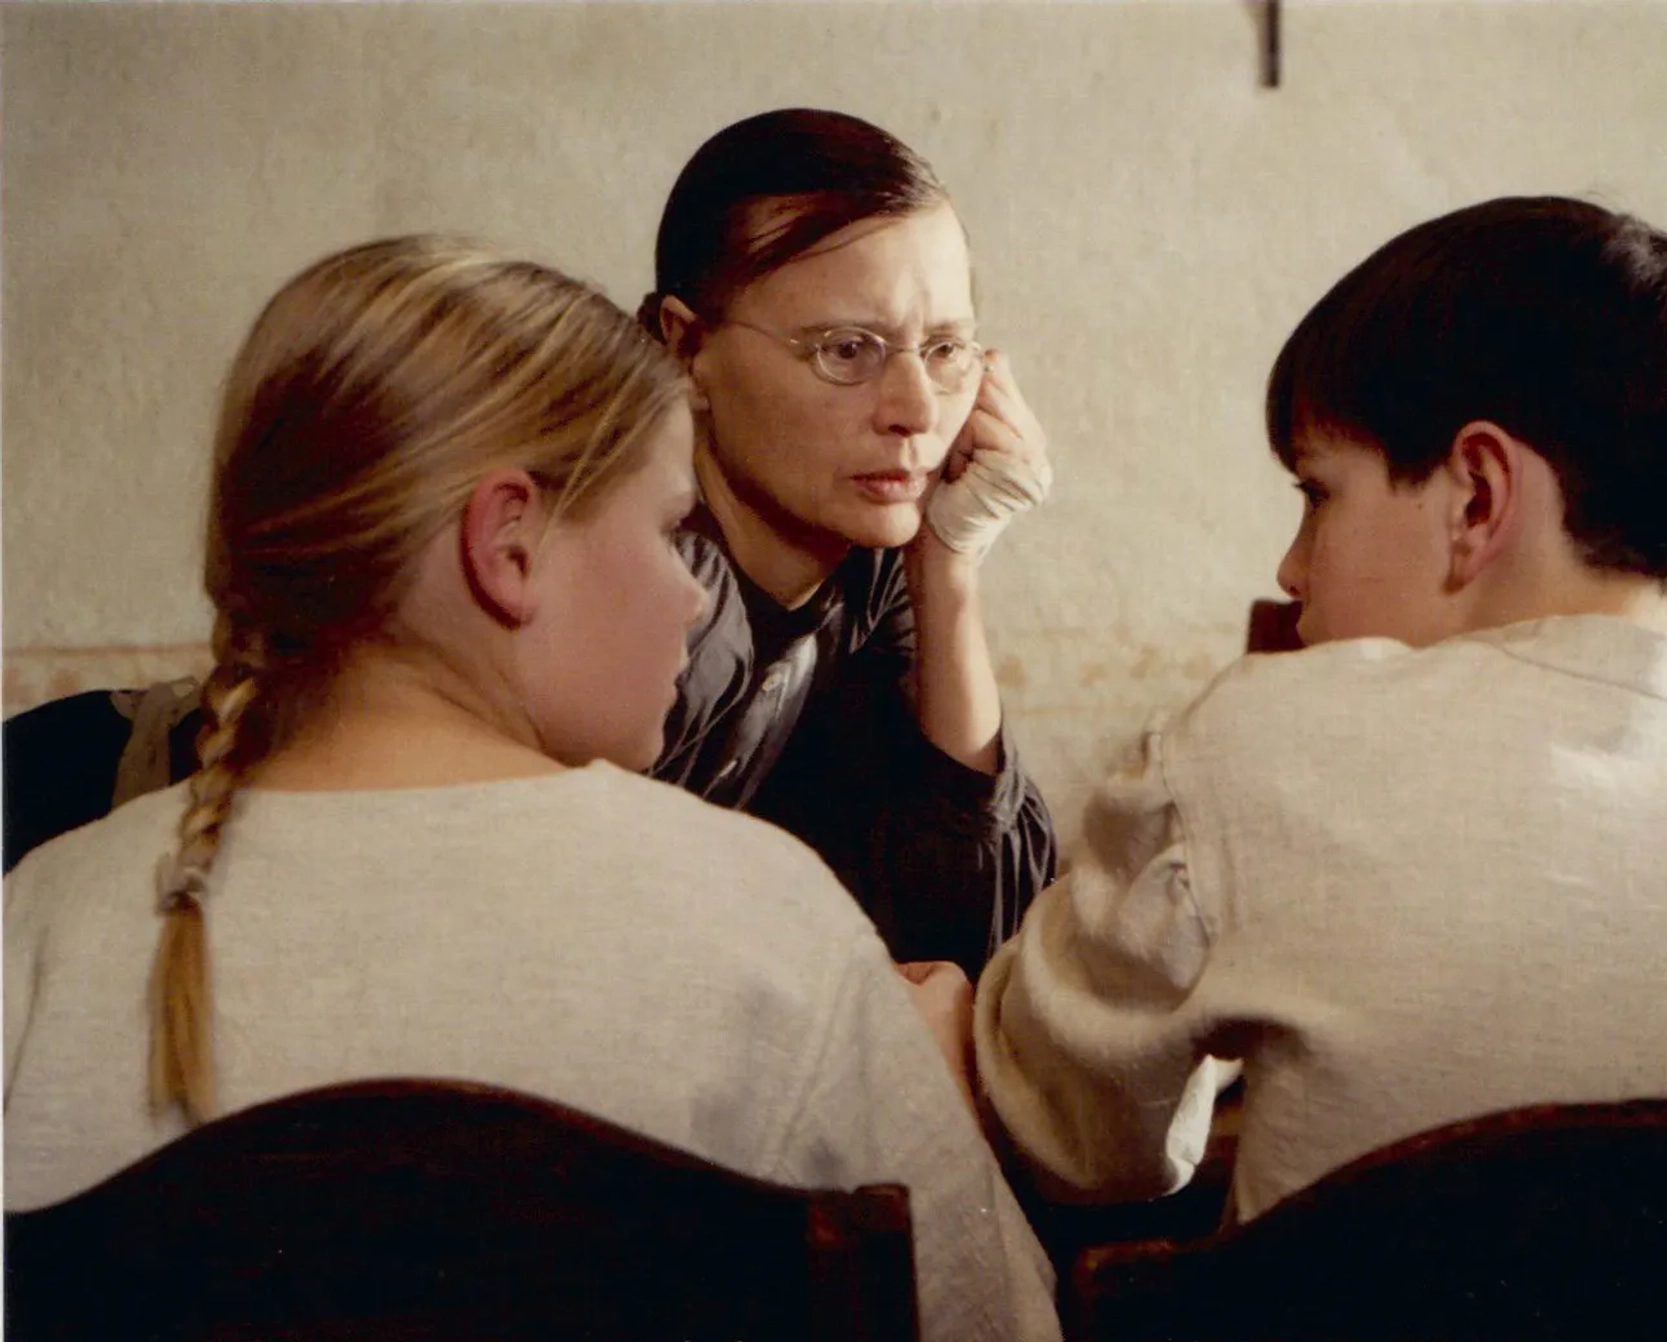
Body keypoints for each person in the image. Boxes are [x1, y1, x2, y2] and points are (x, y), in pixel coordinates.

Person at [3, 236, 1060, 1341]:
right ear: (507, 545)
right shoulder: (765, 929)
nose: (694, 601)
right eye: (669, 530)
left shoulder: (40, 925)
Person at [972, 196, 1667, 1224]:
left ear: (1475, 497)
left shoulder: (1262, 743)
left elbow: (1069, 1136)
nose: (1291, 568)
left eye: (1316, 491)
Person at [636, 108, 1058, 977]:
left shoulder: (864, 571)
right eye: (847, 350)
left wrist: (948, 564)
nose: (914, 410)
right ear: (686, 348)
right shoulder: (642, 585)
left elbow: (981, 932)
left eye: (945, 348)